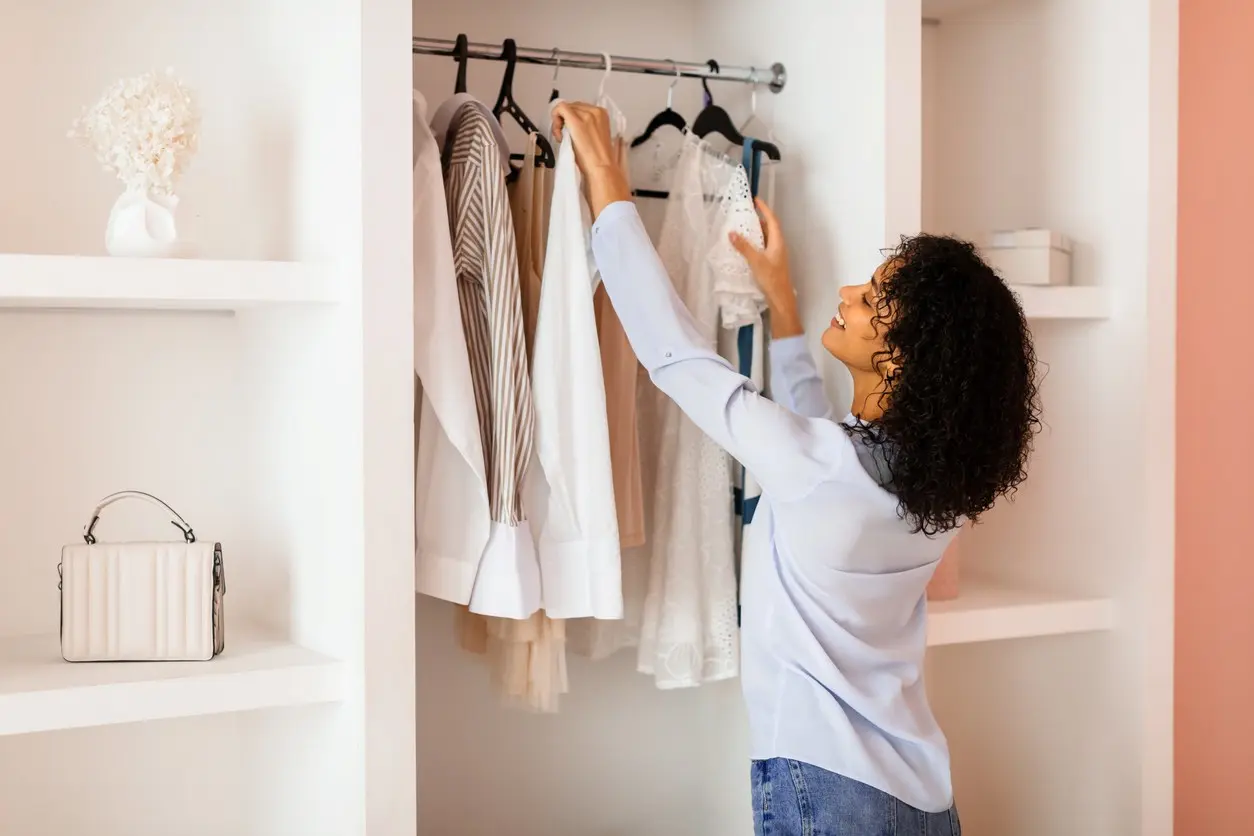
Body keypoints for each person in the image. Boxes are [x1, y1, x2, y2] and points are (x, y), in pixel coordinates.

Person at [553, 102, 1040, 836]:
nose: (848, 294)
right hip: (922, 800)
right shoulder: (941, 488)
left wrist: (609, 191)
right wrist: (782, 303)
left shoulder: (818, 469)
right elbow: (825, 436)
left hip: (826, 792)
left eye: (873, 298)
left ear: (903, 359)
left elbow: (673, 355)